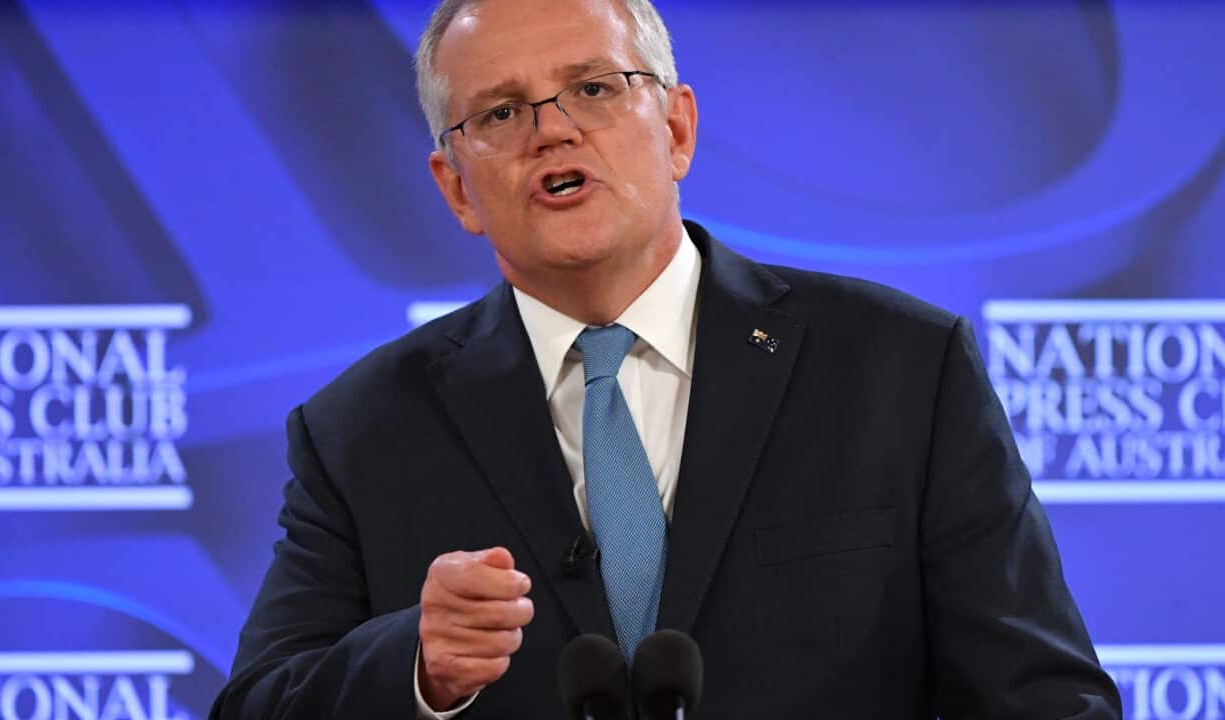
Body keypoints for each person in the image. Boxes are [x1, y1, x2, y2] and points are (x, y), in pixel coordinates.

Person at [210, 0, 1122, 717]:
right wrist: (414, 666)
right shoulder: (361, 431)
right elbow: (254, 706)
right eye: (499, 111)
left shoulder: (903, 371)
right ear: (456, 187)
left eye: (595, 88)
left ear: (678, 128)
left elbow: (1044, 701)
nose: (553, 130)